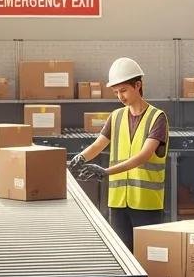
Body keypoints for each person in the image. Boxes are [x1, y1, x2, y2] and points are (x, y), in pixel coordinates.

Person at [68, 57, 169, 251]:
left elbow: (144, 155)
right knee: (122, 254)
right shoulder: (116, 117)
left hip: (146, 204)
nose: (120, 97)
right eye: (116, 92)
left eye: (123, 90)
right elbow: (98, 144)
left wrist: (105, 172)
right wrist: (79, 158)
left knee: (147, 257)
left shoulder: (157, 117)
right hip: (118, 203)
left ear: (138, 85)